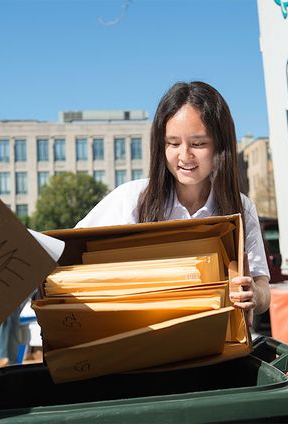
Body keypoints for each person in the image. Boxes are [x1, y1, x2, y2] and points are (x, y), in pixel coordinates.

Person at [77, 81, 271, 318]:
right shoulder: (131, 199)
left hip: (217, 344)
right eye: (173, 143)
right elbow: (72, 253)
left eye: (198, 144)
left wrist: (254, 295)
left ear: (221, 146)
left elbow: (262, 285)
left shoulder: (241, 208)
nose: (184, 155)